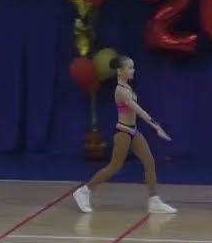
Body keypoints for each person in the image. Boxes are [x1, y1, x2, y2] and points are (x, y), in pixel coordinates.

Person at [73, 56, 176, 214]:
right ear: (120, 71)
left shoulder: (127, 87)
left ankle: (154, 200)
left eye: (133, 67)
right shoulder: (120, 91)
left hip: (133, 131)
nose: (133, 70)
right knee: (114, 167)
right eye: (130, 68)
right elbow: (138, 110)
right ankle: (84, 191)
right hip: (123, 133)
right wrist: (157, 127)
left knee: (149, 161)